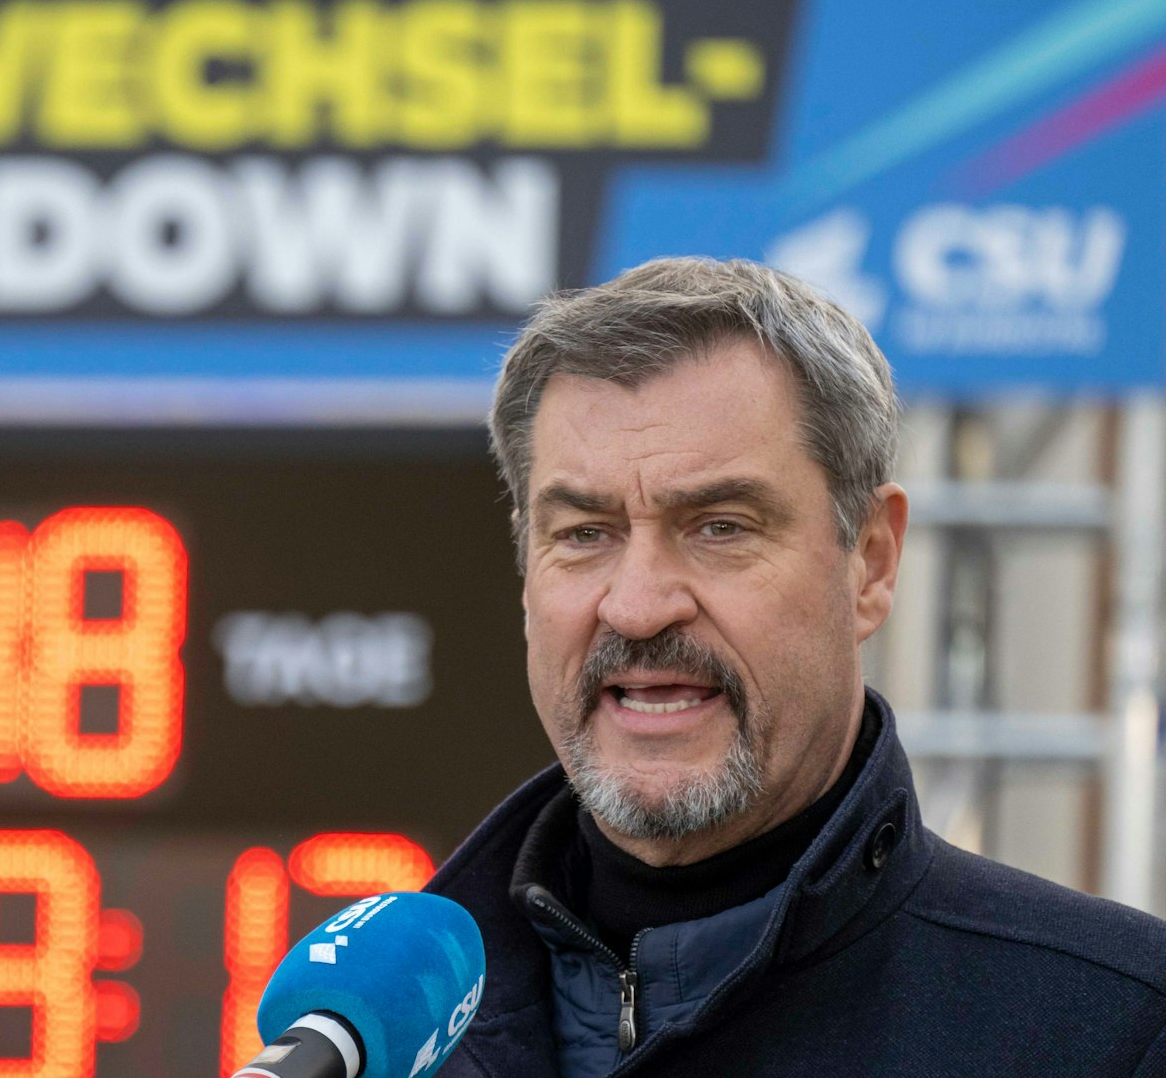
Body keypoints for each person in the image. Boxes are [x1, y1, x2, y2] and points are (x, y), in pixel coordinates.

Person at [428, 257, 1166, 1076]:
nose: (636, 606)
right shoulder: (366, 1043)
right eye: (583, 533)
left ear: (872, 561)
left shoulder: (1115, 1030)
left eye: (721, 526)